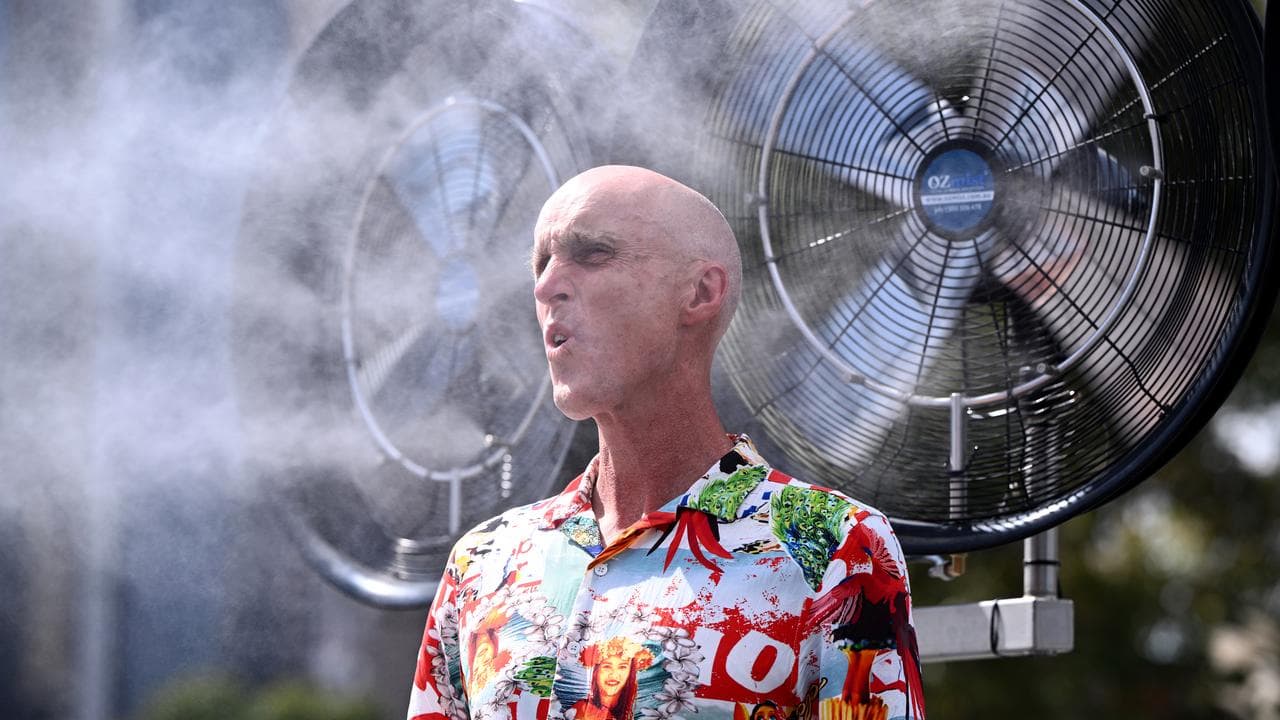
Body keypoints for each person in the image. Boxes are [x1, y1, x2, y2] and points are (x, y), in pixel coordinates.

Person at [407, 165, 924, 720]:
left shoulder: (834, 546)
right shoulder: (484, 561)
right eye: (541, 261)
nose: (545, 285)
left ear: (701, 292)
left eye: (592, 253)